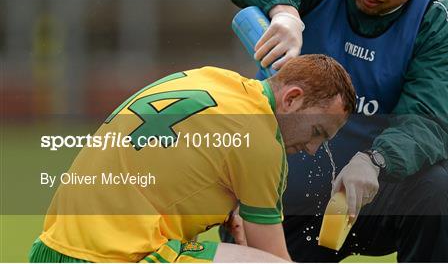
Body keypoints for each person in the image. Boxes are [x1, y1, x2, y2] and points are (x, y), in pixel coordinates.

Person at [218, 0, 448, 262]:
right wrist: (285, 11)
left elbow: (433, 119)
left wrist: (376, 161)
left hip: (366, 190)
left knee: (439, 184)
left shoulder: (435, 20)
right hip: (280, 193)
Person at [29, 54, 356, 263]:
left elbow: (187, 167)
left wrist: (227, 211)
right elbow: (274, 257)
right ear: (293, 99)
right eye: (317, 131)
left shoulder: (215, 79)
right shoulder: (262, 141)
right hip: (110, 256)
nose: (313, 149)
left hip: (51, 249)